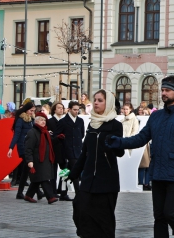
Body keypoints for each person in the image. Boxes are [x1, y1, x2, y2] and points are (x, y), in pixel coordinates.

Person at [106, 75, 174, 238]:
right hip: (157, 173)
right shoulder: (156, 116)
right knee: (159, 217)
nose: (163, 93)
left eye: (167, 90)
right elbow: (141, 138)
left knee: (172, 214)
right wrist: (120, 142)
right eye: (162, 90)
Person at [68, 89, 124, 237]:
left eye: (100, 100)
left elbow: (120, 152)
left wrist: (115, 145)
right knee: (81, 210)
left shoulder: (115, 125)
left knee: (103, 220)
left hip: (106, 180)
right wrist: (73, 173)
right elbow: (85, 152)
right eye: (95, 100)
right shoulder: (92, 124)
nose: (96, 103)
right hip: (88, 179)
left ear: (108, 103)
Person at [7, 102, 42, 200]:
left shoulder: (32, 119)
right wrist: (11, 148)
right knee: (30, 169)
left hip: (30, 147)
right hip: (23, 147)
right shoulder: (21, 119)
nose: (32, 112)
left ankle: (21, 192)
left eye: (33, 111)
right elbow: (17, 134)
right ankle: (37, 192)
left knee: (26, 171)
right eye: (31, 110)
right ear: (26, 110)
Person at [23, 112, 58, 204]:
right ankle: (50, 197)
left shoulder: (45, 132)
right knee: (44, 178)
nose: (44, 122)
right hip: (37, 160)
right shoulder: (32, 132)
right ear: (36, 121)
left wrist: (57, 138)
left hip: (45, 160)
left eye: (45, 120)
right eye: (41, 120)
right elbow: (28, 148)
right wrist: (29, 160)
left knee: (37, 180)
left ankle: (28, 195)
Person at [56, 101, 85, 198]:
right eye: (74, 110)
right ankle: (78, 193)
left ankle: (63, 193)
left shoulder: (80, 121)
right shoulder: (63, 122)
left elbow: (82, 134)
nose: (77, 112)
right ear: (69, 109)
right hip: (67, 150)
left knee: (66, 171)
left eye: (78, 110)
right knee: (75, 170)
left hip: (77, 149)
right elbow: (57, 136)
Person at [47, 102, 66, 197]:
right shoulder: (50, 121)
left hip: (63, 150)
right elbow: (49, 136)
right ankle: (53, 192)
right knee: (53, 172)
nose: (61, 109)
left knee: (65, 170)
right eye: (59, 108)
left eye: (62, 108)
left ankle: (62, 190)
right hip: (54, 149)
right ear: (54, 109)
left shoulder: (65, 121)